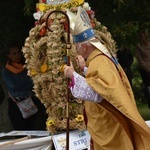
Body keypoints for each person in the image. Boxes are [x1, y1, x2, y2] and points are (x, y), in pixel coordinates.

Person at [64, 7, 150, 150]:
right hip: (107, 120)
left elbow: (97, 93)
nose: (76, 51)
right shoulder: (99, 58)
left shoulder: (99, 62)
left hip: (109, 124)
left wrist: (73, 75)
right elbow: (102, 83)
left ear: (84, 47)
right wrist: (85, 69)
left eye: (77, 47)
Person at [1, 41, 47, 130]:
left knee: (31, 130)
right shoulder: (6, 71)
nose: (17, 56)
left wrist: (26, 83)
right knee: (20, 132)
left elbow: (33, 82)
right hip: (16, 104)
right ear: (9, 56)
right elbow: (14, 86)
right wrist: (27, 83)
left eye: (18, 53)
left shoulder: (25, 67)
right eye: (14, 54)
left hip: (29, 101)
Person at [136, 30, 150, 108]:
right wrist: (147, 69)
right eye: (141, 36)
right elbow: (139, 59)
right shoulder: (139, 47)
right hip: (145, 69)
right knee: (148, 87)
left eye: (143, 36)